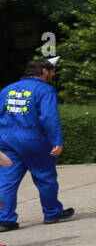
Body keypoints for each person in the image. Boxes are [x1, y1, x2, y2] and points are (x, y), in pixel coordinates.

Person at [0, 58, 74, 230]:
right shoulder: (45, 90)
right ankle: (52, 212)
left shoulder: (8, 89)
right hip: (33, 141)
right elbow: (49, 118)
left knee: (6, 180)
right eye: (53, 71)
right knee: (45, 177)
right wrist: (57, 141)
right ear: (45, 71)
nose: (54, 74)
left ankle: (4, 219)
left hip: (6, 141)